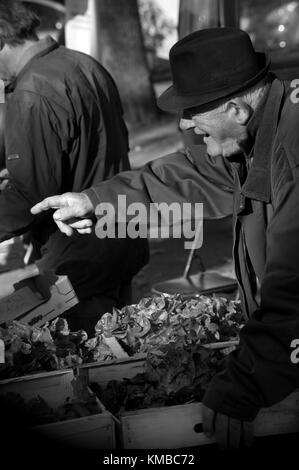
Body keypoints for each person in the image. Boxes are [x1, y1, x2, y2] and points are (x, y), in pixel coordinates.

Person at [31, 27, 299, 448]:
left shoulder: (294, 153)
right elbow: (191, 174)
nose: (183, 123)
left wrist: (245, 384)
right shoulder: (262, 131)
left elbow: (294, 292)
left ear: (236, 109)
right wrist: (95, 201)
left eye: (192, 110)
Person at [0, 0, 148, 335]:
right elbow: (91, 148)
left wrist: (20, 183)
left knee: (75, 364)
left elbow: (29, 196)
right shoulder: (82, 63)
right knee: (119, 351)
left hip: (78, 256)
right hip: (122, 235)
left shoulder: (32, 91)